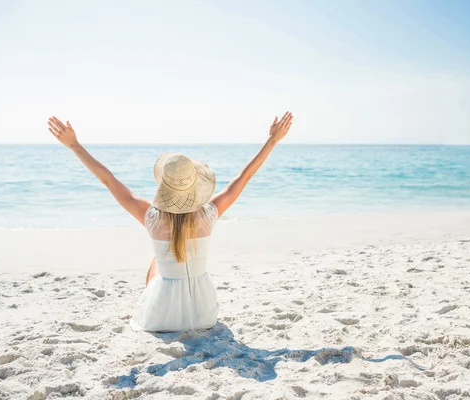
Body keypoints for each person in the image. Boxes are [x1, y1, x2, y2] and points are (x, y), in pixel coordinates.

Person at [47, 112, 294, 332]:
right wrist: (272, 141)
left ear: (164, 186)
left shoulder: (152, 218)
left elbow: (109, 180)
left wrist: (74, 145)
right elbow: (245, 176)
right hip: (203, 315)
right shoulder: (209, 214)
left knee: (158, 258)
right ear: (196, 185)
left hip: (161, 318)